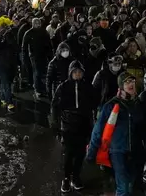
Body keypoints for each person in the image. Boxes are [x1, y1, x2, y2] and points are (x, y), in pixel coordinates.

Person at [87, 72, 143, 196]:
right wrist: (92, 151)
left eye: (132, 81)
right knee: (123, 186)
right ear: (121, 86)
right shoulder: (111, 105)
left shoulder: (138, 104)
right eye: (127, 82)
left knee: (130, 185)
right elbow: (98, 129)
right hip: (118, 151)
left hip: (135, 150)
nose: (131, 84)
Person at [51, 61, 94, 193]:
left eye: (79, 72)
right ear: (70, 73)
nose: (77, 74)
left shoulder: (87, 87)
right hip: (67, 127)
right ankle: (65, 178)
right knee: (68, 155)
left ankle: (75, 177)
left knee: (80, 154)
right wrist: (55, 126)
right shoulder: (63, 87)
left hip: (83, 126)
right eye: (75, 72)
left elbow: (91, 107)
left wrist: (91, 127)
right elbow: (55, 107)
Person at [22, 17, 53, 99]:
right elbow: (24, 46)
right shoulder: (29, 33)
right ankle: (37, 89)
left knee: (43, 72)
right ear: (32, 24)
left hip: (43, 55)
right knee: (37, 72)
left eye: (38, 23)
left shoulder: (44, 32)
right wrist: (24, 58)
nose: (37, 24)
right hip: (33, 56)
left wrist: (50, 55)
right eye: (35, 23)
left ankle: (41, 87)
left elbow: (49, 44)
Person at [0, 16, 17, 110]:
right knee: (6, 84)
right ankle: (9, 102)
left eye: (6, 27)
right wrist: (0, 37)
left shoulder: (11, 36)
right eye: (2, 27)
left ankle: (3, 97)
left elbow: (15, 47)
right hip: (1, 64)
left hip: (11, 64)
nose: (4, 29)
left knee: (6, 83)